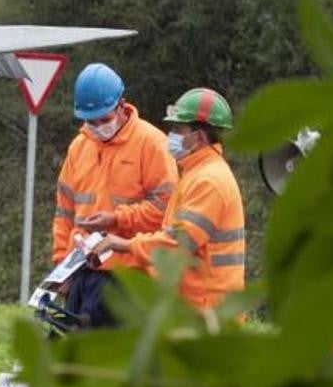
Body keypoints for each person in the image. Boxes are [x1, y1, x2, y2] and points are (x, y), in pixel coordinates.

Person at [89, 88, 245, 310]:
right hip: (199, 307)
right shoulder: (197, 173)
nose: (171, 135)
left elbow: (176, 244)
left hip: (208, 312)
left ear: (199, 137)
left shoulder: (208, 181)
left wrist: (125, 244)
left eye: (178, 129)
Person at [53, 63, 178, 327]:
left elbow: (166, 210)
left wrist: (116, 219)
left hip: (129, 276)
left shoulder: (152, 144)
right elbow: (64, 212)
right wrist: (60, 268)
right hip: (81, 271)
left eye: (105, 119)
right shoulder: (79, 147)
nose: (99, 126)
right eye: (91, 121)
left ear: (122, 105)